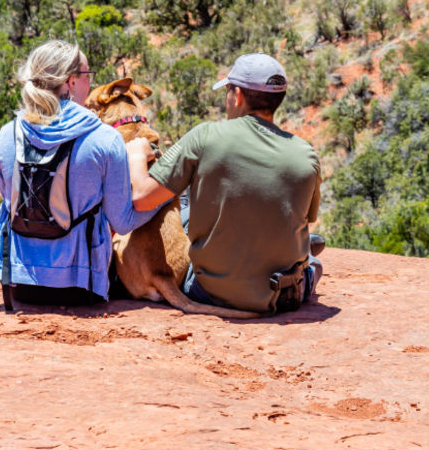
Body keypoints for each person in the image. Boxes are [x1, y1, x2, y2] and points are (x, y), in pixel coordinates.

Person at [125, 53, 323, 315]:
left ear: (238, 95)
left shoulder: (205, 136)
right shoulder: (306, 154)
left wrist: (136, 155)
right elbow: (306, 216)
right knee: (314, 264)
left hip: (210, 293)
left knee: (183, 207)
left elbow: (141, 197)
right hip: (285, 295)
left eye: (228, 91)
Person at [0, 40, 163, 306]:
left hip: (20, 285)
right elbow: (123, 221)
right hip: (82, 288)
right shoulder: (105, 138)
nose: (90, 84)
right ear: (70, 82)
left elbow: (8, 201)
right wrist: (165, 197)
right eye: (87, 76)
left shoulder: (8, 134)